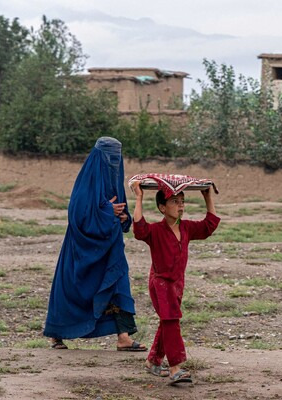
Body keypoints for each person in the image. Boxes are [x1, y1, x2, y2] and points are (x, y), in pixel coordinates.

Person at [43, 137, 146, 352]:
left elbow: (120, 210)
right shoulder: (86, 183)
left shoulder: (113, 182)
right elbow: (77, 215)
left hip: (110, 247)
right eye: (110, 157)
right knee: (71, 288)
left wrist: (121, 217)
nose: (114, 162)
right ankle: (56, 334)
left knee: (117, 284)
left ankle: (123, 337)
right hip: (81, 249)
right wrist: (107, 212)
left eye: (118, 157)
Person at [132, 181, 220, 384]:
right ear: (162, 208)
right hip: (161, 283)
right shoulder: (155, 230)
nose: (180, 206)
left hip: (178, 283)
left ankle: (153, 361)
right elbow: (139, 230)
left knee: (167, 321)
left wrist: (207, 197)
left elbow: (209, 226)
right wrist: (139, 198)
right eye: (174, 202)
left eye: (182, 201)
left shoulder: (187, 227)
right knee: (171, 321)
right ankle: (175, 368)